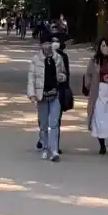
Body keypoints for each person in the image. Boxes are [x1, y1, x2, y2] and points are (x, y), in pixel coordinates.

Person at [26, 28, 69, 161]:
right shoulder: (36, 60)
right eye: (44, 43)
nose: (47, 46)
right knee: (44, 124)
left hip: (55, 94)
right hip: (42, 96)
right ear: (41, 45)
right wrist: (31, 94)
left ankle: (54, 150)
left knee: (54, 123)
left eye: (49, 43)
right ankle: (45, 147)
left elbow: (64, 73)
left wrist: (61, 77)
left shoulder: (58, 58)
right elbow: (31, 78)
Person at [83, 38, 108, 155]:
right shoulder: (94, 60)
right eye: (103, 46)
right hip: (98, 92)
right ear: (99, 47)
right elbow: (88, 75)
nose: (105, 48)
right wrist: (89, 85)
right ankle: (102, 145)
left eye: (107, 46)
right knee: (99, 119)